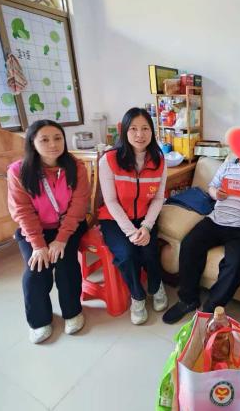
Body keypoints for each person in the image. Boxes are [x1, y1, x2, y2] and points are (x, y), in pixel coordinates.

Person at [163, 151, 240, 324]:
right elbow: (212, 187)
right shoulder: (228, 165)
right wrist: (216, 194)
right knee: (189, 244)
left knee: (236, 263)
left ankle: (212, 308)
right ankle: (188, 300)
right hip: (217, 220)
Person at [7, 119, 90, 344]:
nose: (53, 144)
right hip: (34, 230)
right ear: (32, 143)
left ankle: (73, 312)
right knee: (36, 268)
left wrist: (61, 239)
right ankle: (39, 321)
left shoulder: (76, 167)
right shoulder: (18, 172)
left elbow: (79, 206)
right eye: (44, 139)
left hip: (68, 227)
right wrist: (38, 244)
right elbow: (22, 211)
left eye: (57, 138)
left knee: (66, 264)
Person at [98, 107, 168, 325]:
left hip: (144, 217)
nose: (140, 134)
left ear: (152, 131)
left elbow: (158, 198)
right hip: (115, 219)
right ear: (125, 131)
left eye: (145, 128)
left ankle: (156, 286)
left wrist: (146, 227)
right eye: (133, 129)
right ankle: (137, 296)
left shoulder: (159, 160)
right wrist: (131, 232)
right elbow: (110, 201)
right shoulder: (109, 160)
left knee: (149, 251)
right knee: (127, 254)